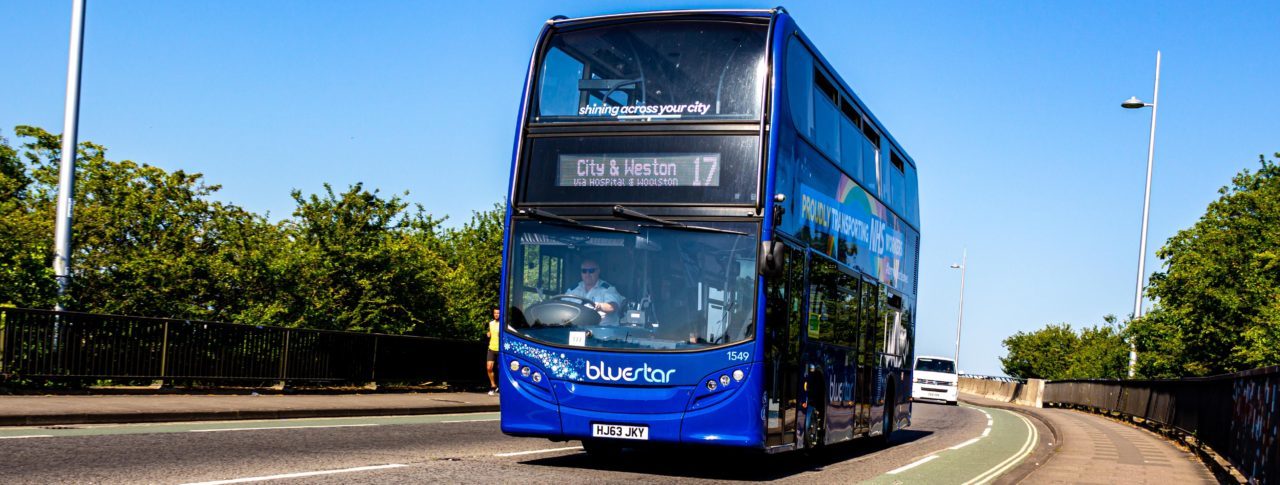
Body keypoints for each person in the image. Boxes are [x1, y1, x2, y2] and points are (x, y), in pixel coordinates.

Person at [566, 259, 624, 325]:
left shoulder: (608, 289)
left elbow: (612, 306)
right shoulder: (573, 290)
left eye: (591, 271)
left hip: (603, 332)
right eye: (584, 271)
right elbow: (562, 306)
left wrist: (598, 306)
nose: (587, 274)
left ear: (598, 271)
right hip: (577, 330)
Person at [485, 307, 500, 396]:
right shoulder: (491, 323)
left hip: (500, 349)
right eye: (495, 313)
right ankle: (493, 386)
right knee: (489, 368)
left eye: (498, 313)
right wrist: (488, 334)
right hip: (491, 348)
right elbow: (490, 333)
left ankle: (500, 387)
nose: (496, 314)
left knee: (500, 369)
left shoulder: (503, 324)